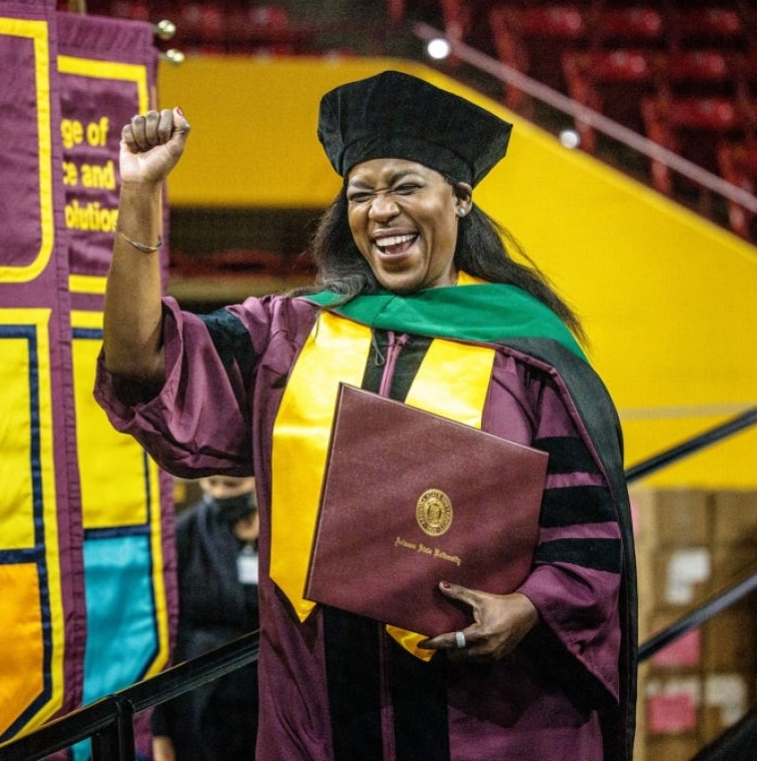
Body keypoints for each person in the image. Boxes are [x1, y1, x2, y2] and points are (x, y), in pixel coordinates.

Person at [95, 70, 637, 760]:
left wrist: (525, 609)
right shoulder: (293, 338)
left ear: (461, 197)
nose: (380, 210)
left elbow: (588, 536)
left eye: (405, 186)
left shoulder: (525, 355)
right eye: (361, 193)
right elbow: (143, 363)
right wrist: (139, 196)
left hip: (483, 720)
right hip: (318, 715)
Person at [152, 476, 261, 761]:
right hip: (200, 704)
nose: (219, 493)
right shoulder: (185, 534)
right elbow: (168, 636)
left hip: (270, 698)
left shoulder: (291, 537)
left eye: (231, 485)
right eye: (211, 484)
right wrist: (159, 732)